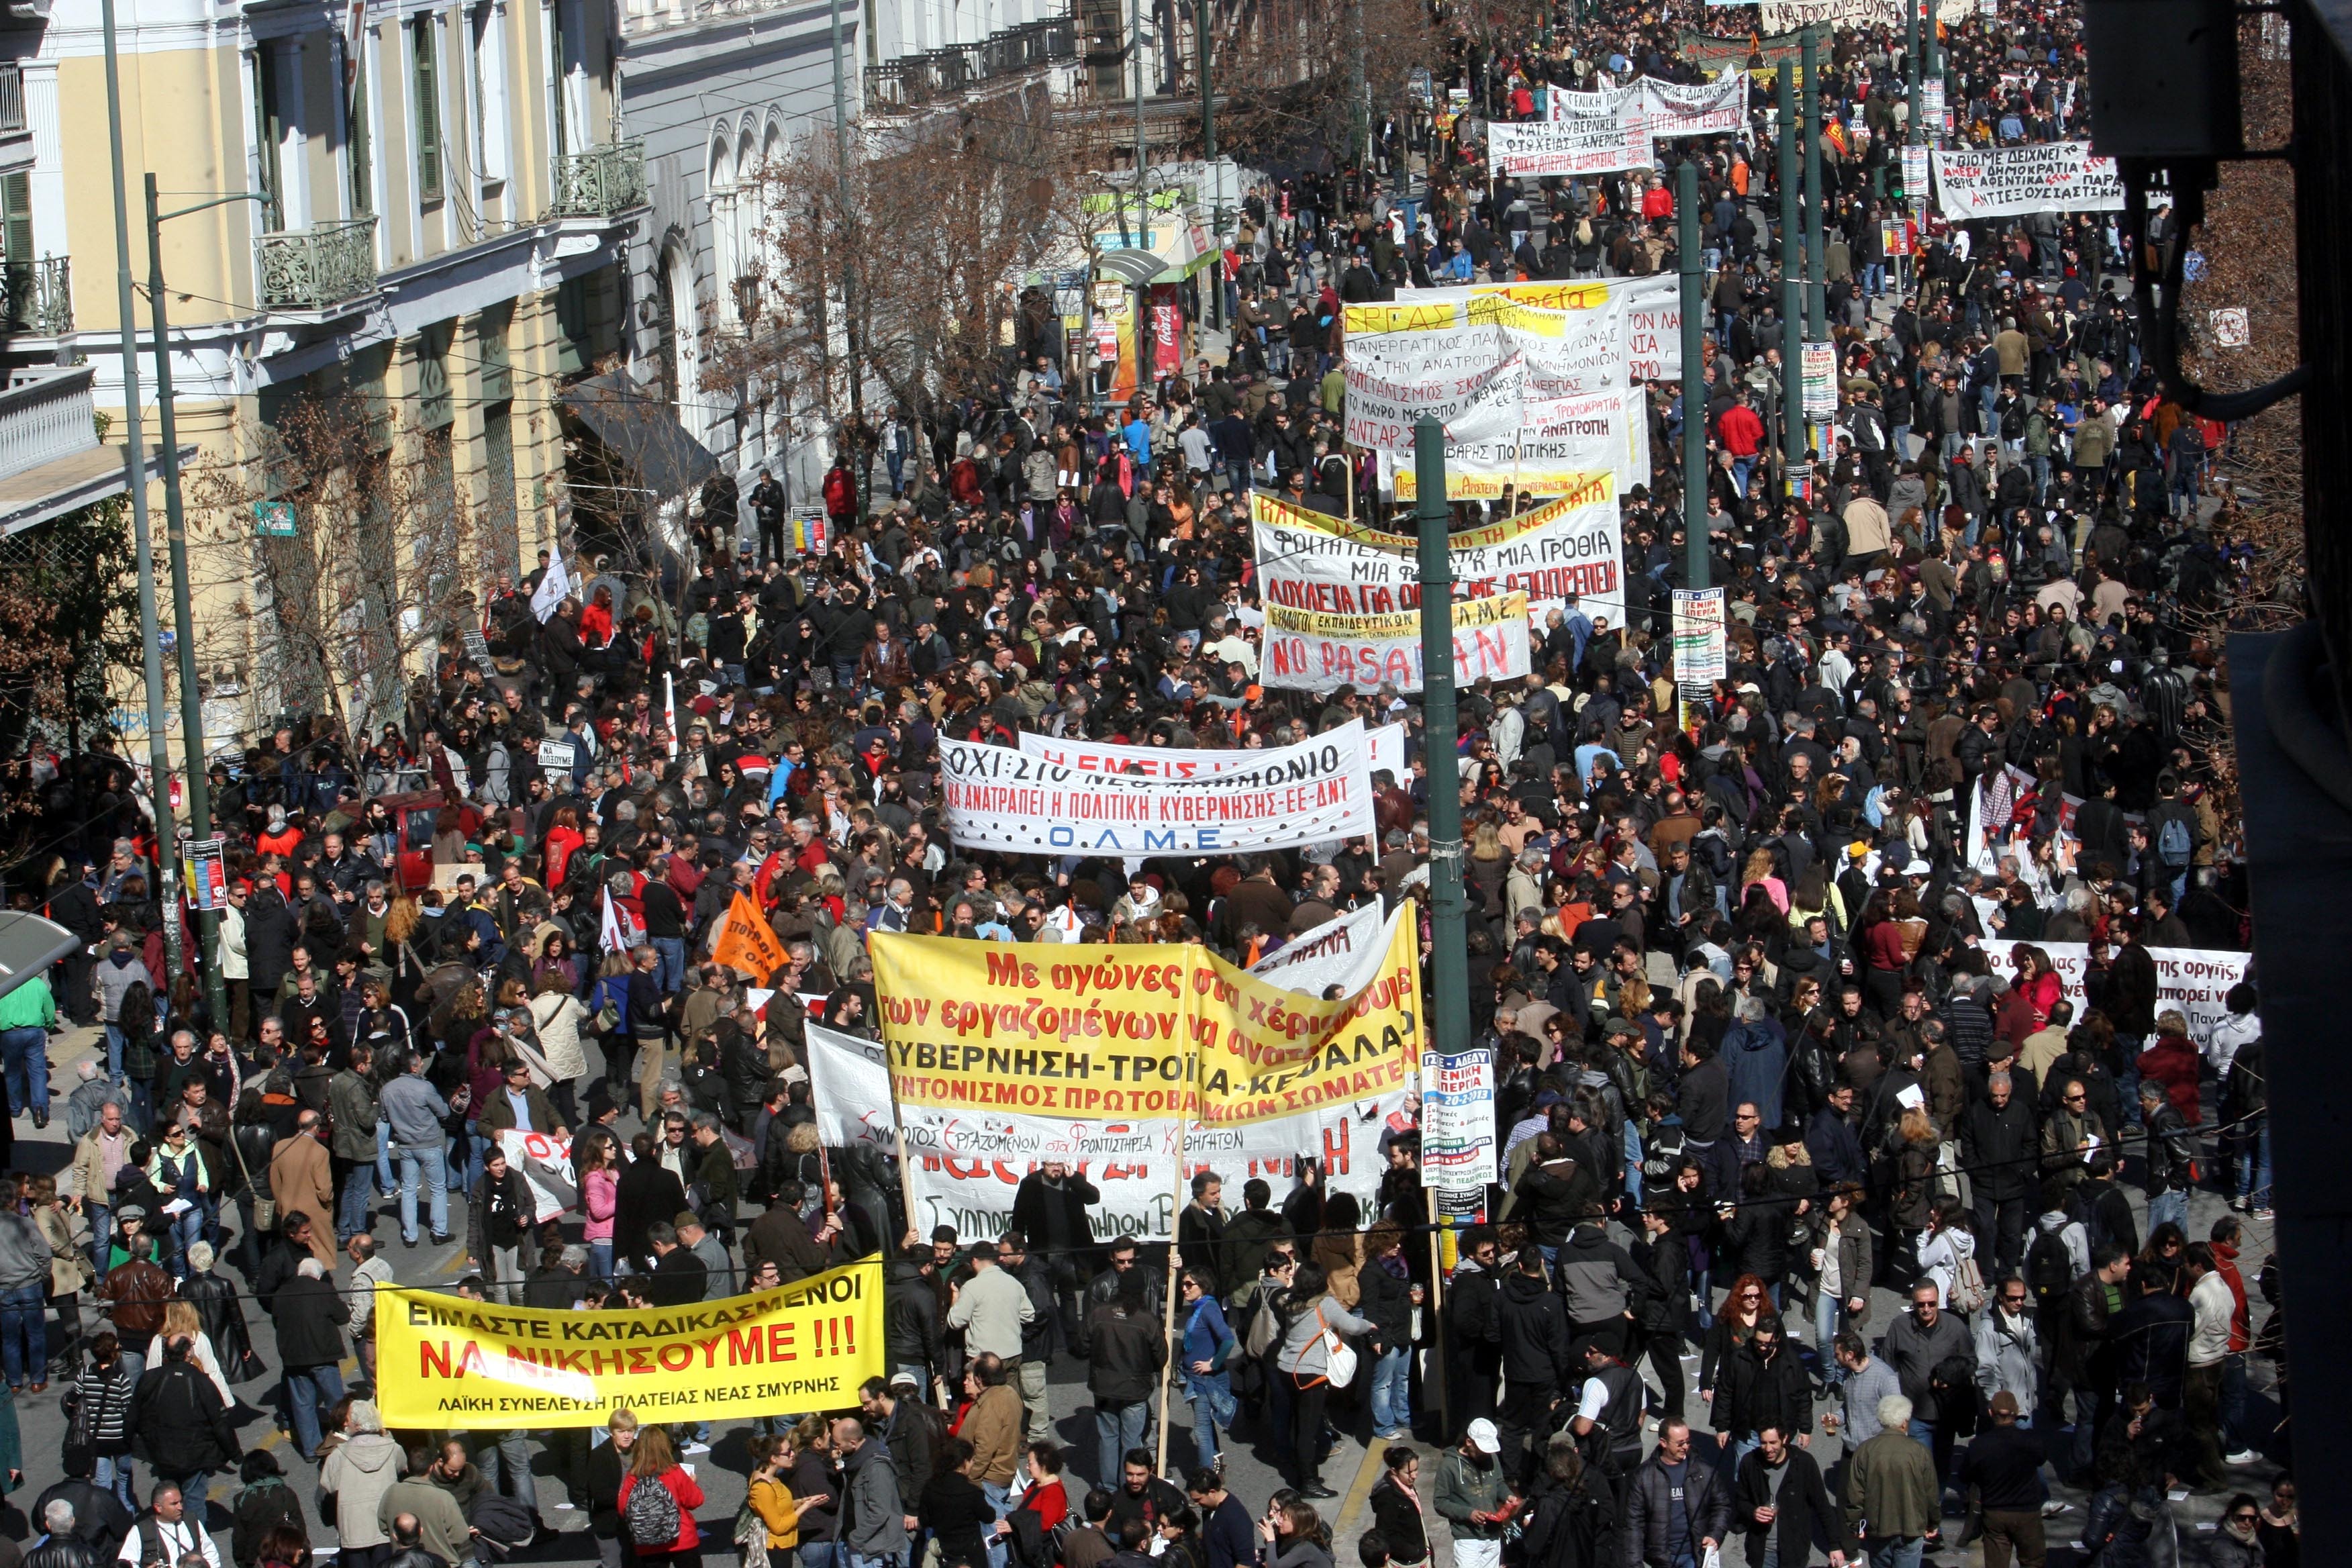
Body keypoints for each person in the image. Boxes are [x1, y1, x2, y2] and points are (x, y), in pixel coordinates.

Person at [1275, 1261, 1371, 1498]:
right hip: (1311, 1373)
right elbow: (1352, 1325)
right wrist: (1369, 1325)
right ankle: (1309, 1483)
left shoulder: (1288, 1302)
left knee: (1300, 1424)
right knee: (1308, 1429)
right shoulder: (1324, 1303)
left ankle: (1303, 1473)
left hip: (1287, 1368)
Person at [1841, 1395, 1939, 1568]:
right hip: (1911, 1528)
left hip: (1878, 1528)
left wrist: (1855, 1525)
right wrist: (1933, 1522)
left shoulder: (1865, 1450)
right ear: (1904, 1422)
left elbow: (1855, 1494)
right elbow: (1930, 1492)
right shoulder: (1919, 1451)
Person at [1085, 1273, 1164, 1487]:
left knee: (1108, 1438)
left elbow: (1083, 1345)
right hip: (1135, 1389)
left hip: (1104, 1387)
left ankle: (1109, 1487)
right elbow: (1161, 1356)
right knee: (1132, 1440)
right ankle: (1128, 1486)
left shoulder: (1099, 1313)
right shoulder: (1146, 1319)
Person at [1730, 1423, 1839, 1568]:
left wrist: (1835, 1546)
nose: (1768, 1449)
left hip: (1794, 1550)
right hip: (1763, 1550)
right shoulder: (1750, 1462)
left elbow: (1822, 1506)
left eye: (1773, 1443)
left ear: (1785, 1439)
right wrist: (1753, 1512)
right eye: (1763, 1443)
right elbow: (1740, 1501)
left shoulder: (1803, 1463)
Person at [1621, 1418, 1727, 1568]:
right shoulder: (1643, 1476)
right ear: (1663, 1443)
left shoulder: (1703, 1471)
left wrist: (1715, 1535)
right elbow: (1633, 1524)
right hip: (1661, 1558)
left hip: (1694, 1555)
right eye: (1680, 1443)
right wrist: (1635, 1564)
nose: (1685, 1447)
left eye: (1688, 1442)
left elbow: (1721, 1506)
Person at [319, 1400, 407, 1568]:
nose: (346, 1424)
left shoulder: (338, 1455)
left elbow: (328, 1485)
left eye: (348, 1420)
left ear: (357, 1424)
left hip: (353, 1528)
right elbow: (402, 1469)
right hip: (384, 1524)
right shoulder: (394, 1449)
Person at [616, 1423, 705, 1566]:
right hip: (682, 1537)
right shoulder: (674, 1471)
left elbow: (623, 1508)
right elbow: (695, 1501)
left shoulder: (633, 1476)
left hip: (648, 1541)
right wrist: (692, 1483)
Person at [835, 1414, 910, 1568]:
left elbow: (880, 1511)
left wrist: (857, 1538)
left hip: (869, 1549)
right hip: (857, 1544)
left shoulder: (876, 1468)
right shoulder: (854, 1462)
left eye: (838, 1444)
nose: (836, 1448)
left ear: (853, 1443)